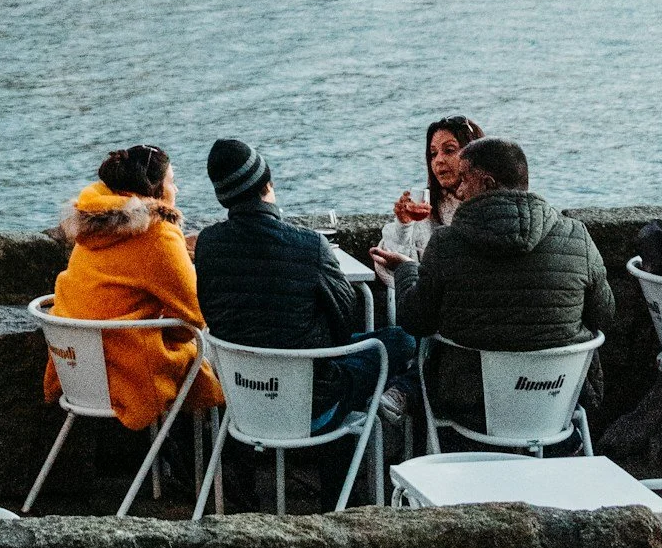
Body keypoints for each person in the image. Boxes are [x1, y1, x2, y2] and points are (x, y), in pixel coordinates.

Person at [394, 136, 615, 435]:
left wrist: (406, 269)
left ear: (486, 185)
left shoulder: (447, 244)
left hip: (471, 407)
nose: (457, 191)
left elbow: (415, 320)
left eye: (463, 181)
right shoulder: (577, 236)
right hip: (557, 403)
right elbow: (604, 316)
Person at [194, 139, 413, 424]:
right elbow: (345, 325)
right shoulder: (310, 245)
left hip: (243, 405)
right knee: (401, 339)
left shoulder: (207, 245)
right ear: (267, 185)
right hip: (310, 408)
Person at [46, 145, 222, 440]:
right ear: (155, 191)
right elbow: (195, 316)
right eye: (171, 181)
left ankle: (173, 467)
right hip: (129, 376)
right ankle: (210, 479)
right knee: (215, 353)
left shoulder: (93, 226)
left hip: (78, 370)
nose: (176, 188)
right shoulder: (157, 234)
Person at [373, 116, 484, 271]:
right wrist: (403, 225)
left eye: (449, 150)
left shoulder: (492, 207)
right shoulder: (427, 208)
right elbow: (391, 262)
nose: (439, 160)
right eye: (433, 154)